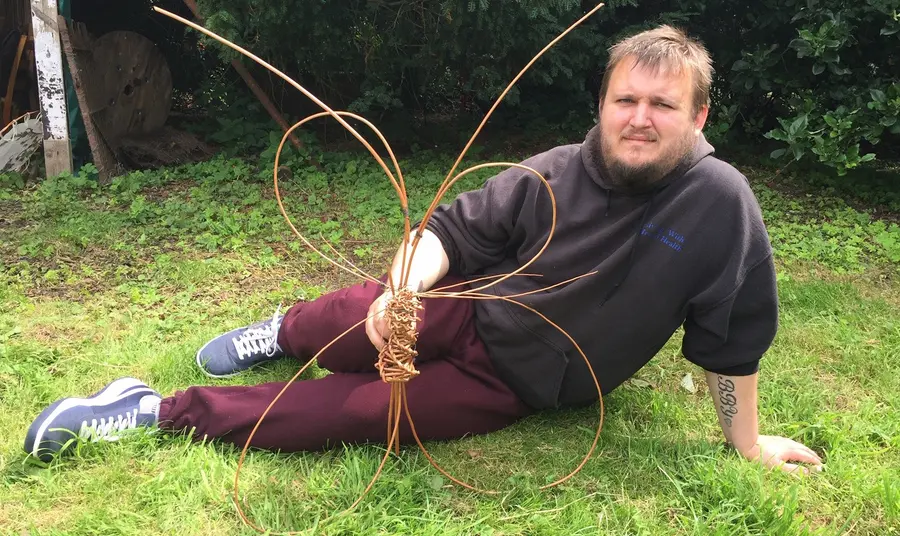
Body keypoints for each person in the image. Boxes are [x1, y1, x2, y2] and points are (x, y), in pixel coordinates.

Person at [25, 25, 823, 474]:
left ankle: (149, 409)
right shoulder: (555, 169)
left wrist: (745, 442)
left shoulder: (722, 205)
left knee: (347, 414)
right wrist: (401, 295)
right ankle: (283, 331)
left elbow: (732, 340)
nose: (640, 118)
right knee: (352, 318)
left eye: (662, 104)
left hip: (523, 384)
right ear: (604, 104)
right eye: (626, 99)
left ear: (699, 114)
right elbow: (447, 231)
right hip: (472, 311)